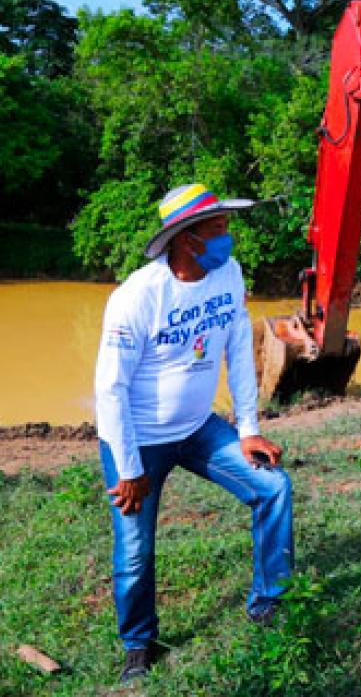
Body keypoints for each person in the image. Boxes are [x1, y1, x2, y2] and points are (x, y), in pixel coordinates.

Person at [94, 183, 291, 683]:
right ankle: (138, 644)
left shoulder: (228, 275)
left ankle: (268, 602)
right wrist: (131, 468)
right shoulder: (136, 298)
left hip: (200, 428)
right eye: (218, 229)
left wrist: (247, 428)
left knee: (273, 487)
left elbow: (239, 347)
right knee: (135, 549)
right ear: (186, 239)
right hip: (137, 438)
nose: (228, 239)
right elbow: (110, 390)